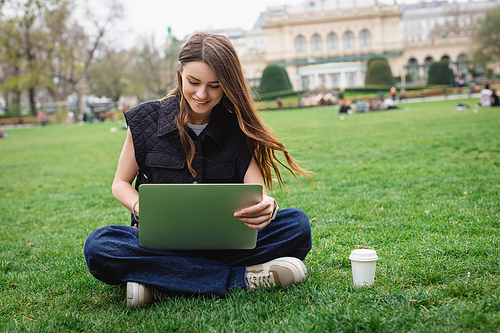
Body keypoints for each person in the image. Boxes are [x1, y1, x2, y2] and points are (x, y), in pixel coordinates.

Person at [83, 32, 312, 308]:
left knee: (297, 225)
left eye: (214, 86)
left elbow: (259, 194)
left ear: (227, 85)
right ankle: (240, 279)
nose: (202, 94)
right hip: (158, 244)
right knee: (100, 245)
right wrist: (142, 207)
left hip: (224, 245)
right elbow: (120, 183)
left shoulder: (238, 128)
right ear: (180, 73)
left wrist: (268, 207)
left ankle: (162, 282)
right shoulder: (145, 120)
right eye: (194, 82)